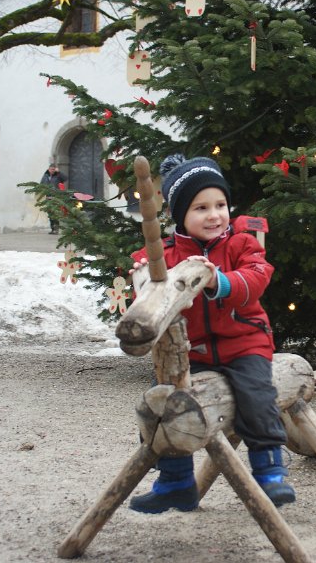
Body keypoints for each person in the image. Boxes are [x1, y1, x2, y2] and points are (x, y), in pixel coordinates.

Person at [127, 154, 294, 514]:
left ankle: (270, 470)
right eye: (201, 208)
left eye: (220, 205)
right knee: (165, 402)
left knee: (255, 395)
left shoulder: (241, 245)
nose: (215, 215)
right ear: (179, 214)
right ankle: (175, 481)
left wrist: (219, 280)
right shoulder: (165, 254)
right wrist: (143, 280)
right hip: (193, 351)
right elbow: (151, 296)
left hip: (244, 343)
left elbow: (257, 277)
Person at [40, 163, 67, 234]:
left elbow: (65, 178)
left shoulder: (58, 175)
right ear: (48, 169)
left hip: (56, 197)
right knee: (50, 214)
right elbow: (41, 184)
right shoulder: (45, 176)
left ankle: (56, 229)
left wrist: (59, 172)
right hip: (48, 197)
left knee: (55, 213)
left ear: (55, 169)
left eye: (53, 169)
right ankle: (52, 229)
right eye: (51, 169)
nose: (52, 170)